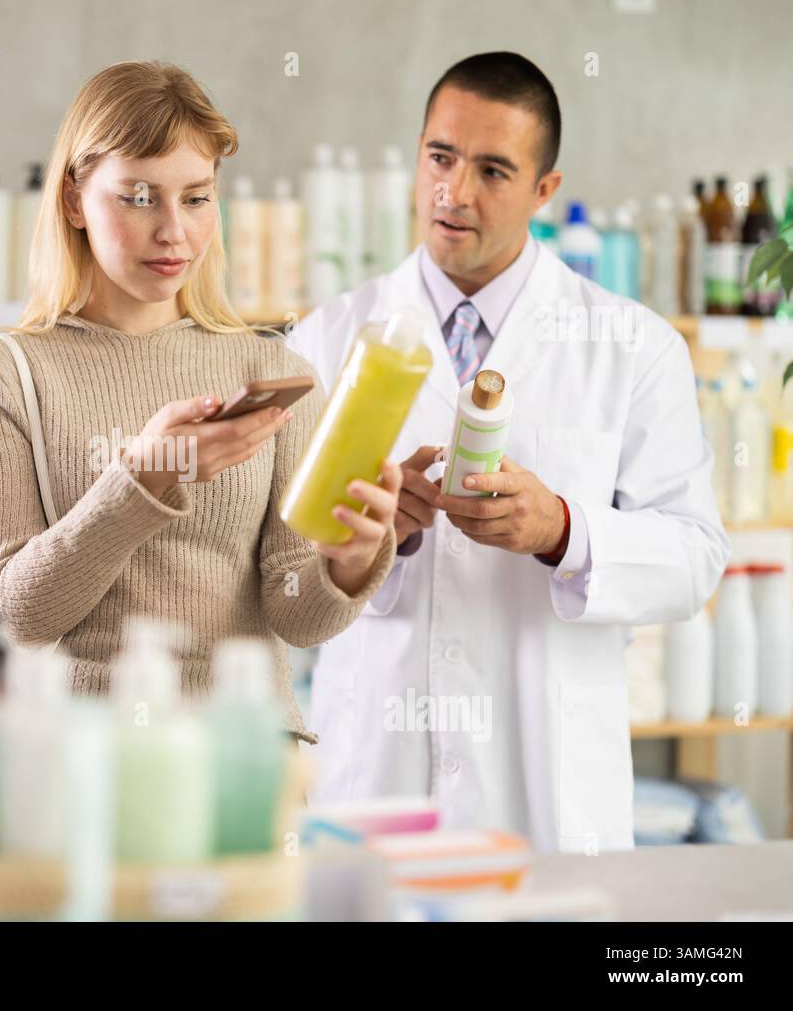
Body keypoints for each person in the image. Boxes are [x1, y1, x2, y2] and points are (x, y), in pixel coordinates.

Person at [289, 52, 728, 851]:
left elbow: (696, 556)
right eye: (440, 158)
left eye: (493, 170)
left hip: (547, 795)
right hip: (376, 782)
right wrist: (377, 539)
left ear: (544, 190)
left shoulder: (632, 346)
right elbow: (278, 574)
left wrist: (562, 529)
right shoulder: (325, 339)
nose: (455, 192)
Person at [0, 60, 401, 741]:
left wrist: (350, 559)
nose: (174, 231)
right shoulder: (0, 372)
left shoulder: (272, 368)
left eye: (196, 197)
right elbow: (18, 615)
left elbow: (295, 614)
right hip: (85, 765)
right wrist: (143, 478)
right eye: (138, 197)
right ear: (73, 200)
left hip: (249, 763)